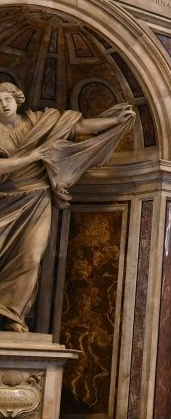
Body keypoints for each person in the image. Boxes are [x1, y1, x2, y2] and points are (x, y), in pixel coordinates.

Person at [0, 82, 135, 332]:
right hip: (4, 201)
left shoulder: (41, 122)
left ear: (17, 100)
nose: (3, 104)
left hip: (37, 201)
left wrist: (115, 122)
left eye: (7, 98)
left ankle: (12, 315)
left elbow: (79, 126)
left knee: (31, 257)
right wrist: (32, 157)